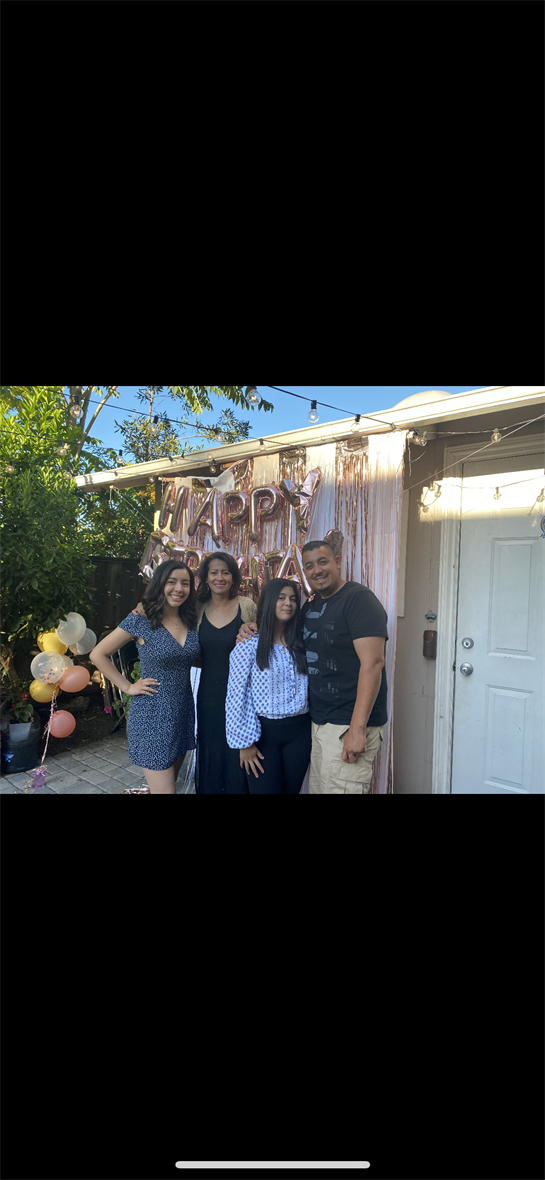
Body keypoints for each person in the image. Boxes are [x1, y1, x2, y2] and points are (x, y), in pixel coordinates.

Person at [237, 540, 388, 794]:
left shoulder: (358, 599)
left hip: (347, 724)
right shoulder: (310, 607)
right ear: (304, 572)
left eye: (323, 561)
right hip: (317, 725)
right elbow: (281, 630)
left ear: (337, 562)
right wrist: (249, 627)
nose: (317, 570)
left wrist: (357, 729)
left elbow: (373, 663)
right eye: (309, 566)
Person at [91, 560, 200, 795]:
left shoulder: (190, 620)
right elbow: (98, 654)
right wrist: (127, 687)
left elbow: (194, 658)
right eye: (171, 582)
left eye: (185, 583)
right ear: (160, 584)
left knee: (162, 786)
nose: (178, 588)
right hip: (152, 716)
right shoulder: (141, 619)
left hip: (182, 714)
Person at [226, 579, 311, 795]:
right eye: (281, 598)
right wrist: (244, 743)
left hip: (300, 734)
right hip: (263, 735)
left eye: (293, 599)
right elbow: (236, 695)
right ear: (269, 601)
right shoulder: (249, 643)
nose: (288, 603)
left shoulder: (302, 643)